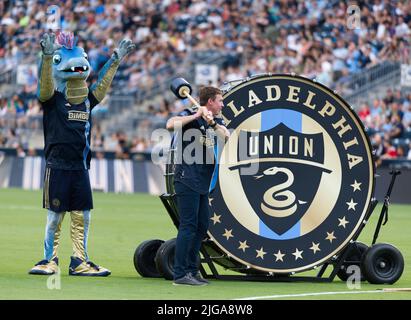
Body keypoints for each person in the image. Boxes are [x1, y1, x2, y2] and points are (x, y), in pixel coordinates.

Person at [28, 32, 135, 276]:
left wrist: (115, 59)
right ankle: (49, 260)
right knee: (55, 217)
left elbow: (102, 86)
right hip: (57, 166)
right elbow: (44, 87)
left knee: (82, 217)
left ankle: (79, 261)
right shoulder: (52, 100)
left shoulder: (87, 100)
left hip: (80, 168)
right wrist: (47, 57)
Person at [166, 86, 230, 286]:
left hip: (202, 180)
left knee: (202, 226)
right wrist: (196, 116)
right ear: (210, 101)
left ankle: (193, 271)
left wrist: (211, 124)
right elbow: (170, 124)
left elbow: (225, 135)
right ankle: (180, 274)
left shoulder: (216, 120)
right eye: (219, 101)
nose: (222, 104)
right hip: (187, 178)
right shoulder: (189, 114)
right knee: (189, 226)